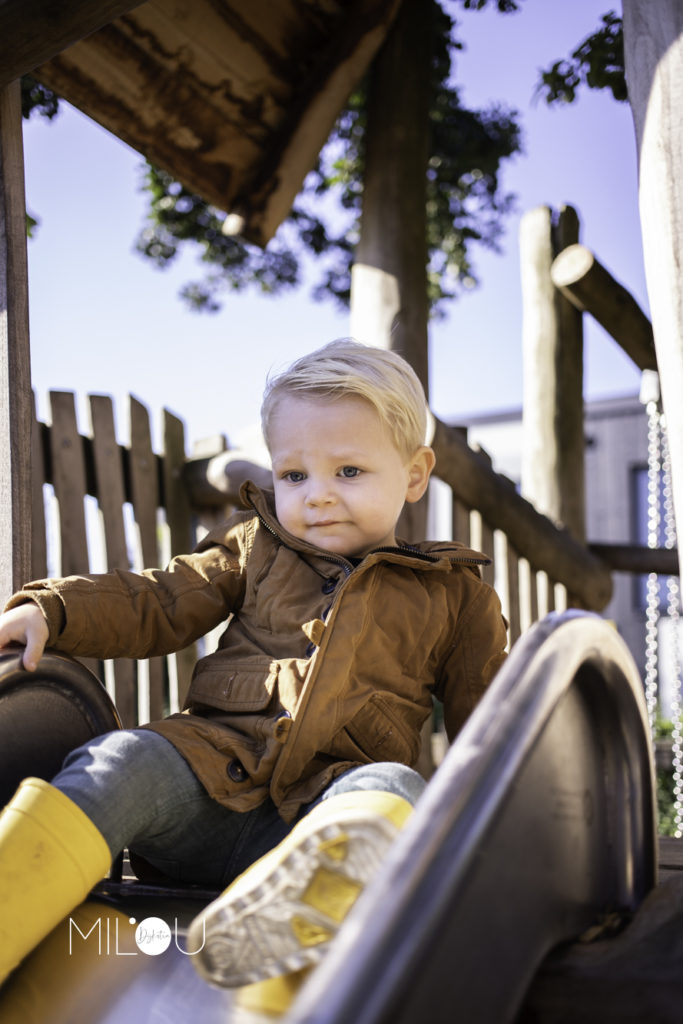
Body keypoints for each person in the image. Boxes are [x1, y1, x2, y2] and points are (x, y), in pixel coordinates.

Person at [0, 339, 507, 1007]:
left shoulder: (452, 595)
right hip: (205, 791)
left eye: (348, 472)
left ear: (414, 474)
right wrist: (52, 610)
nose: (317, 496)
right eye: (294, 475)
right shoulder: (256, 547)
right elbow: (159, 598)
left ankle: (271, 978)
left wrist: (507, 836)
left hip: (321, 816)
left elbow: (487, 723)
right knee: (121, 758)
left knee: (394, 789)